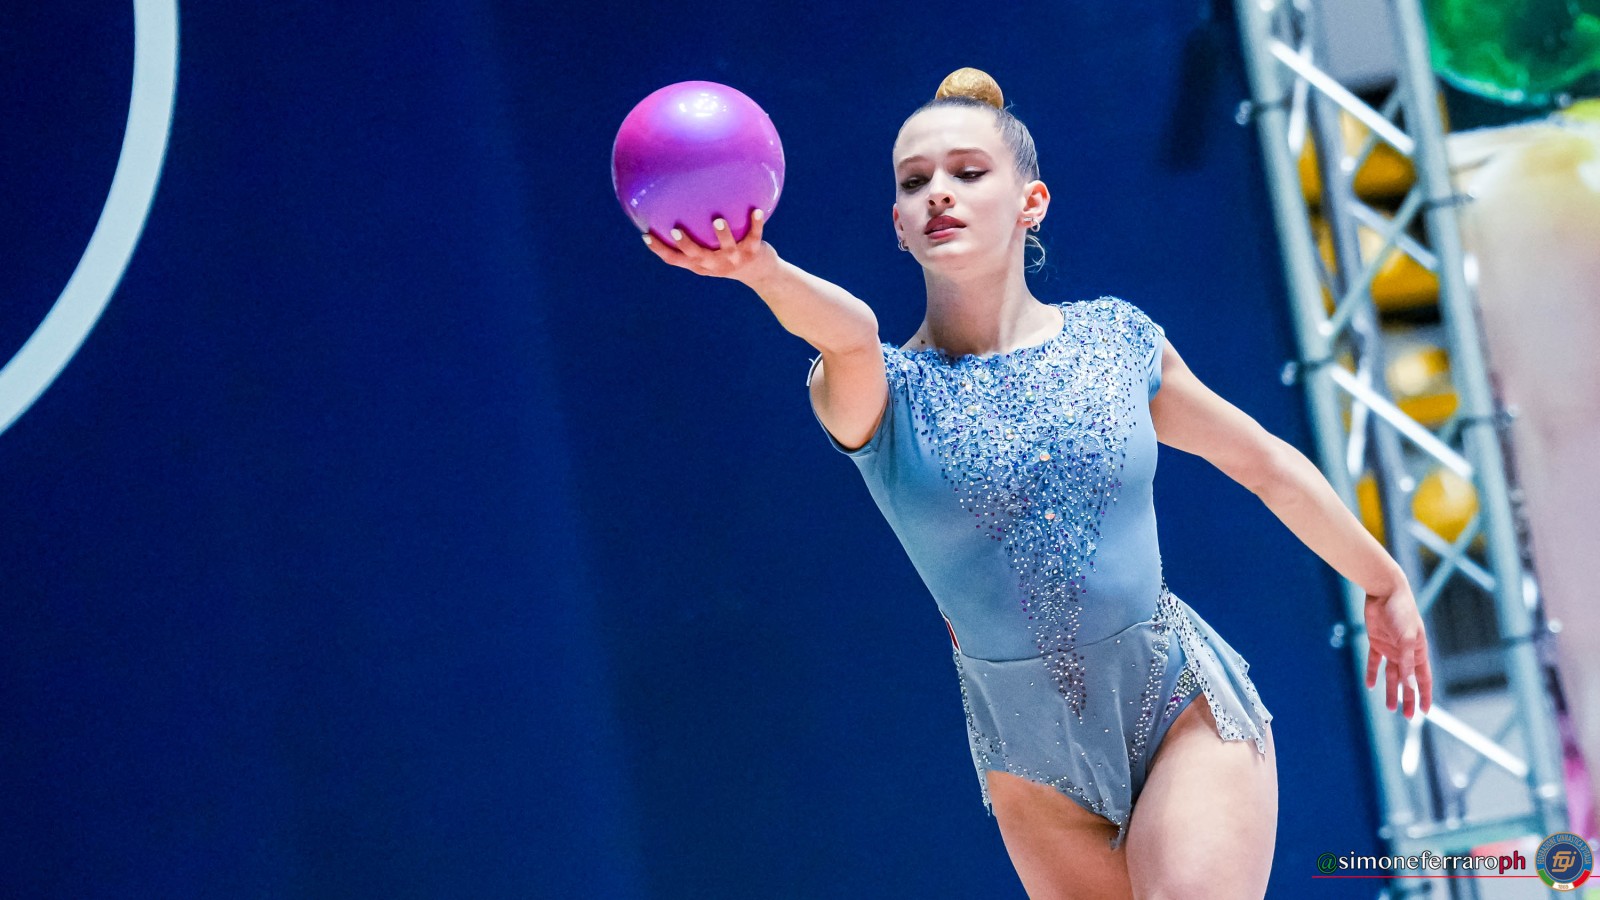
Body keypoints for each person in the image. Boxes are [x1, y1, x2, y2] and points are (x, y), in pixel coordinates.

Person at [641, 67, 1432, 900]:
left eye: (967, 172)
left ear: (1032, 202)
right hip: (1028, 759)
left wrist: (1383, 582)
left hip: (1178, 701)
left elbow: (1263, 463)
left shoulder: (1115, 342)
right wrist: (761, 270)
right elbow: (849, 333)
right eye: (914, 182)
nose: (938, 193)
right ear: (899, 226)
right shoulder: (879, 393)